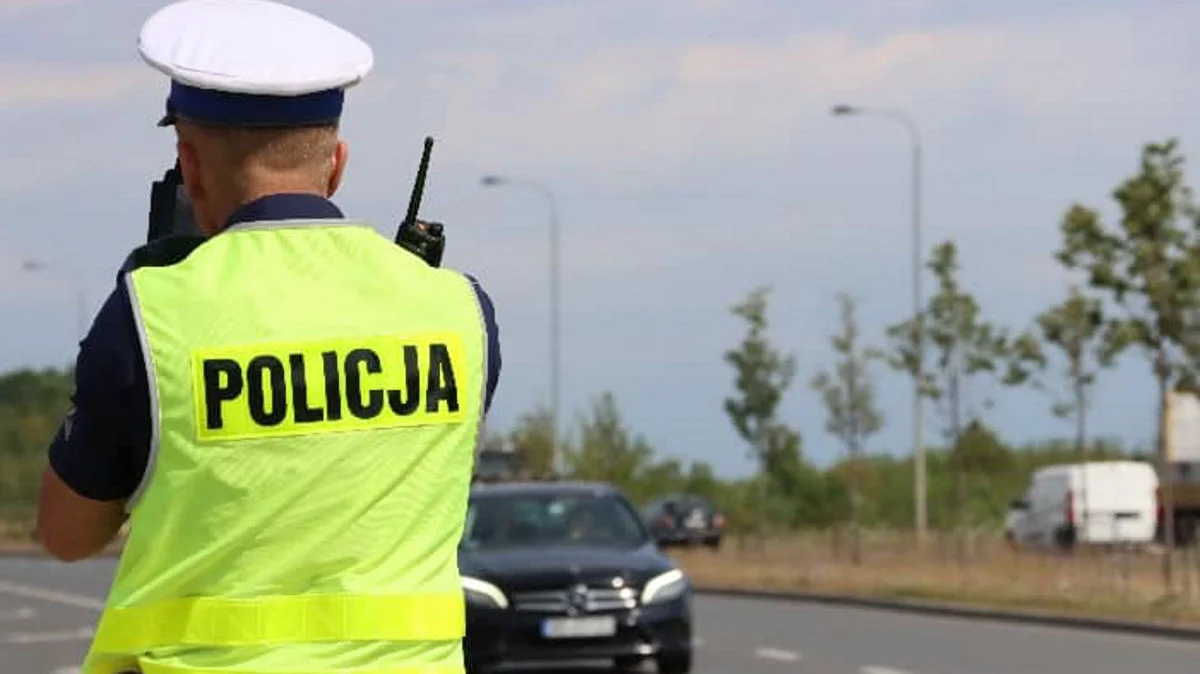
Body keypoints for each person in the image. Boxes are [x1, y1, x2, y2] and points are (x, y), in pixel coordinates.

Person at [33, 1, 501, 672]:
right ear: (336, 164)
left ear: (190, 166)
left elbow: (66, 534)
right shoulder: (459, 310)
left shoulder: (151, 312)